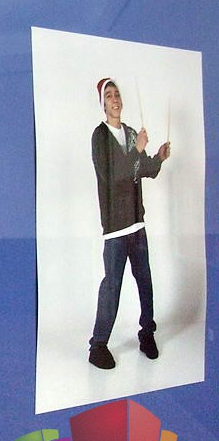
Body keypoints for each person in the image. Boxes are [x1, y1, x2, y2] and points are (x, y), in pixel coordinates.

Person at [88, 77, 170, 369]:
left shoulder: (132, 132)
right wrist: (137, 151)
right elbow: (113, 177)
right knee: (112, 285)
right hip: (115, 227)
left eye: (117, 94)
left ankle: (147, 333)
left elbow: (141, 169)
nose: (115, 99)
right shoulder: (100, 136)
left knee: (145, 280)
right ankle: (98, 346)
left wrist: (157, 158)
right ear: (103, 104)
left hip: (137, 222)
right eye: (109, 95)